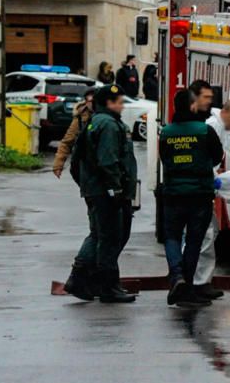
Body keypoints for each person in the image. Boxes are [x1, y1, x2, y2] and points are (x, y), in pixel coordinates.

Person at [71, 85, 137, 303]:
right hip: (106, 191)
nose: (122, 105)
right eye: (118, 101)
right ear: (109, 103)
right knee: (110, 237)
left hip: (96, 189)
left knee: (99, 235)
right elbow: (108, 160)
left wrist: (88, 185)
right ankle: (107, 286)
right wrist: (115, 189)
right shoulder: (108, 124)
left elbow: (76, 160)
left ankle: (80, 280)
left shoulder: (95, 121)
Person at [160, 89, 224, 308]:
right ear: (192, 106)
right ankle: (186, 289)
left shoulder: (166, 132)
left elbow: (164, 158)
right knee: (194, 242)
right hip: (199, 194)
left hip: (173, 195)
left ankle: (176, 277)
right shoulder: (205, 131)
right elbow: (217, 157)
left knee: (172, 237)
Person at [193, 98, 230, 300]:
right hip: (203, 189)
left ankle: (202, 280)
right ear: (224, 112)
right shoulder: (212, 128)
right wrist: (216, 182)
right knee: (205, 235)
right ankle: (200, 283)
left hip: (206, 187)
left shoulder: (221, 127)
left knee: (210, 233)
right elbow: (207, 161)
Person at [53, 89, 95, 179]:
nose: (91, 104)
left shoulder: (107, 115)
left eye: (93, 101)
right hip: (86, 162)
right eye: (89, 101)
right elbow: (67, 141)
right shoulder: (81, 116)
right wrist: (58, 165)